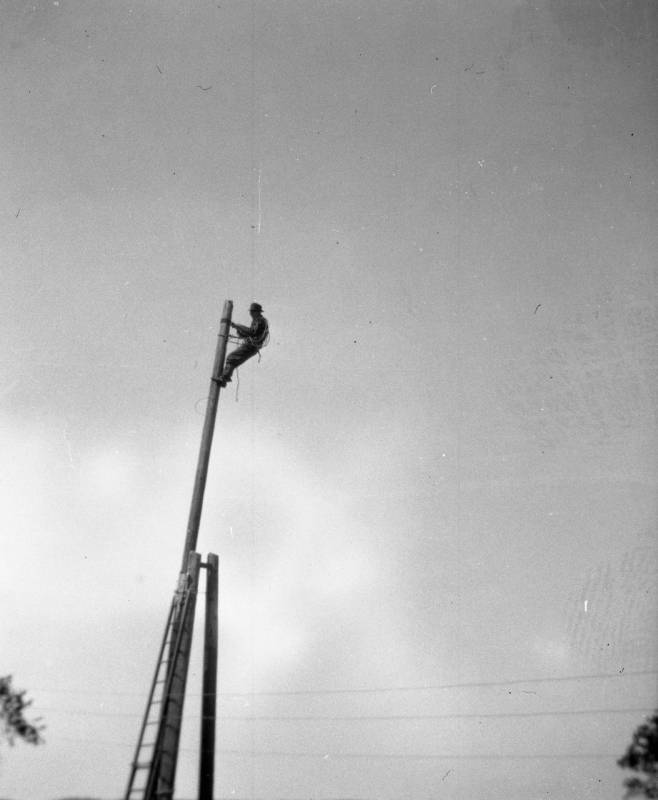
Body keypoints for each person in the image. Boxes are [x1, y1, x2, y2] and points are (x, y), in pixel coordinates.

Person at [216, 302, 269, 387]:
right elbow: (249, 333)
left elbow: (252, 332)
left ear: (257, 312)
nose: (250, 314)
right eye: (250, 312)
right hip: (253, 347)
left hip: (251, 346)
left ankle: (224, 378)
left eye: (252, 312)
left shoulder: (260, 320)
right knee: (234, 360)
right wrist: (239, 330)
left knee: (231, 358)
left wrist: (238, 326)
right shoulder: (258, 320)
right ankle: (224, 379)